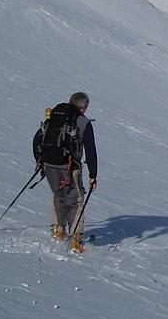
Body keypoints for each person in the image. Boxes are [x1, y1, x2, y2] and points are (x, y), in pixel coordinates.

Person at [32, 91, 97, 253]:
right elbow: (91, 151)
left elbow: (37, 139)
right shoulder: (82, 122)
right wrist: (93, 175)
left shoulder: (54, 116)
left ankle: (58, 229)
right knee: (76, 200)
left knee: (59, 194)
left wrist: (40, 161)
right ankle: (75, 238)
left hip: (48, 164)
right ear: (84, 107)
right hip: (69, 166)